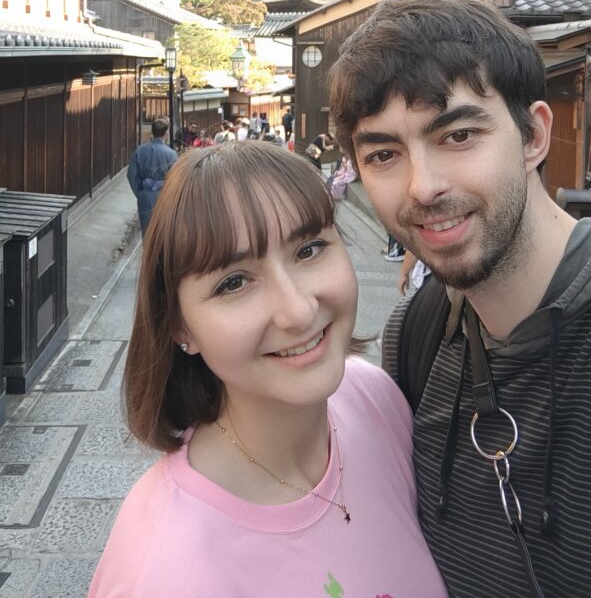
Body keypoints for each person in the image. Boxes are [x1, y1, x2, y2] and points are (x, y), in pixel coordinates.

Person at [328, 0, 591, 598]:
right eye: (384, 154)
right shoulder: (415, 340)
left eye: (459, 134)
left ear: (533, 136)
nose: (424, 186)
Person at [89, 144, 447, 597]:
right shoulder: (165, 571)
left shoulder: (373, 397)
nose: (297, 311)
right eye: (233, 282)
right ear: (180, 325)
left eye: (310, 249)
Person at [126, 118, 178, 234]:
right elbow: (176, 179)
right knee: (163, 233)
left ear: (152, 132)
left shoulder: (140, 151)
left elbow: (131, 175)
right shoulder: (171, 154)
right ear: (166, 134)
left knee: (147, 232)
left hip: (145, 195)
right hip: (164, 196)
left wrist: (139, 191)